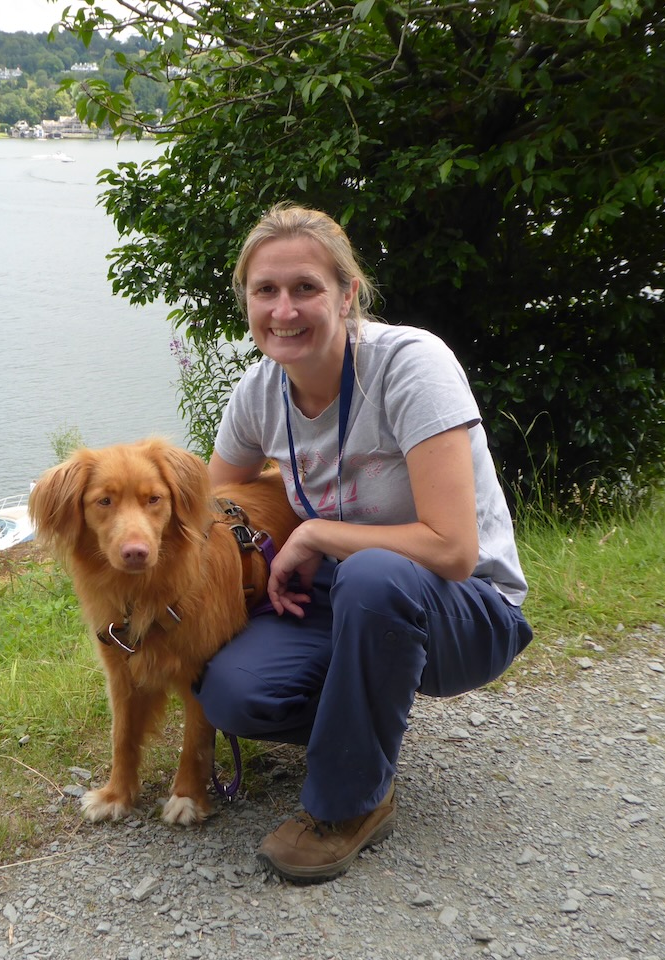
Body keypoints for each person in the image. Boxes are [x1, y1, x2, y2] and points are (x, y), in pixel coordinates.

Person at [195, 202, 533, 883]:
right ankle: (364, 723)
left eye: (305, 289)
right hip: (340, 598)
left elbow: (452, 549)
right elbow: (212, 511)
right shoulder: (258, 392)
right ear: (247, 301)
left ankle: (351, 802)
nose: (283, 310)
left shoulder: (409, 365)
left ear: (347, 294)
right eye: (266, 291)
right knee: (231, 692)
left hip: (462, 607)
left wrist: (316, 531)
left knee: (375, 574)